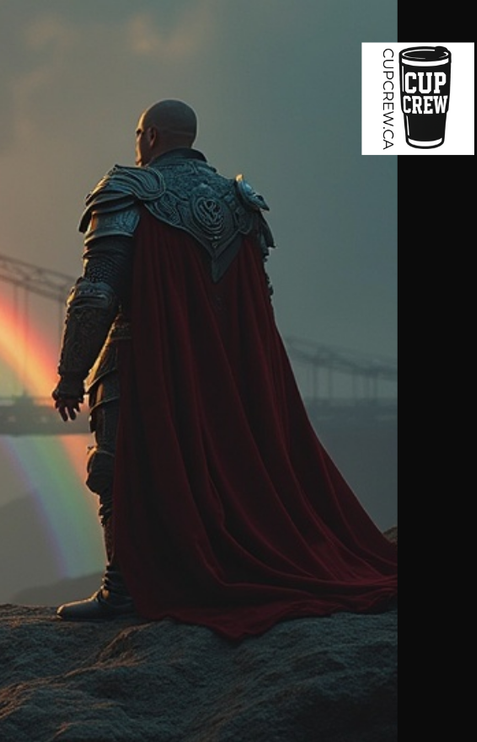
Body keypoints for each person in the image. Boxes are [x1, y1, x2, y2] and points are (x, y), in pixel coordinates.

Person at [51, 100, 397, 639]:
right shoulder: (240, 200)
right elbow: (256, 296)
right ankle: (210, 561)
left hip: (142, 359)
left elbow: (96, 293)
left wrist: (72, 372)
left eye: (140, 133)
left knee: (112, 466)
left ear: (152, 135)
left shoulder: (126, 192)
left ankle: (121, 590)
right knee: (227, 464)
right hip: (231, 366)